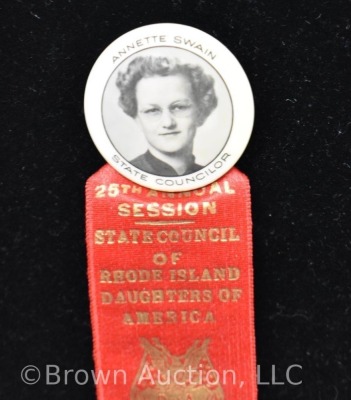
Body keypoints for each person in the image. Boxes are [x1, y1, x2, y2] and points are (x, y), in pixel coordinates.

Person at [116, 56, 218, 176]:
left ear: (200, 112)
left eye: (179, 107)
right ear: (137, 119)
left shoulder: (213, 175)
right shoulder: (121, 176)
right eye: (152, 110)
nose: (168, 123)